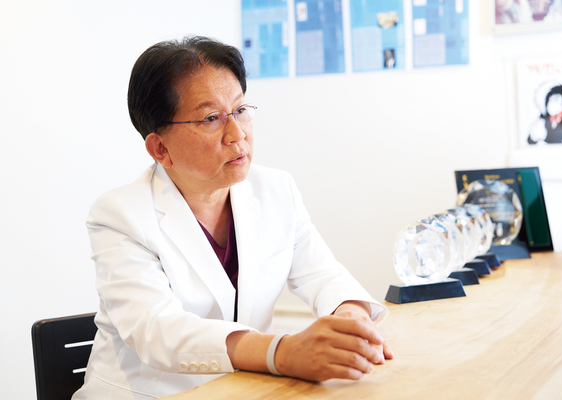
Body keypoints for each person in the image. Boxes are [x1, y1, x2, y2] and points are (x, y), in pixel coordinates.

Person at [72, 36, 393, 400]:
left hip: (243, 391)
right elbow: (158, 331)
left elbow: (322, 275)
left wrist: (350, 319)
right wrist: (282, 352)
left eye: (240, 110)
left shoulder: (275, 189)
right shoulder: (120, 215)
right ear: (160, 147)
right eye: (211, 118)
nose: (238, 134)